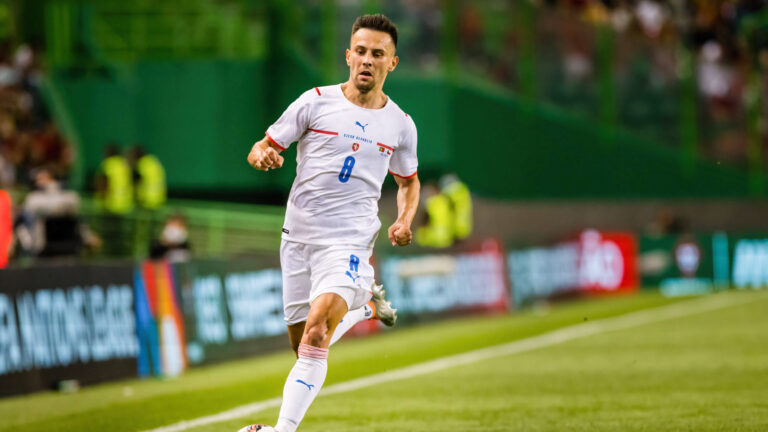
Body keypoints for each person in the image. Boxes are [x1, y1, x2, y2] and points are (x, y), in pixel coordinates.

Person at [240, 14, 420, 432]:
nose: (367, 61)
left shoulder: (401, 124)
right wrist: (262, 155)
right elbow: (261, 146)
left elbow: (408, 183)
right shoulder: (314, 102)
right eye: (360, 52)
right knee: (303, 345)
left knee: (318, 333)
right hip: (298, 239)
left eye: (378, 54)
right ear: (348, 55)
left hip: (349, 242)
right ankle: (367, 308)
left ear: (392, 63)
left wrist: (404, 219)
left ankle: (280, 431)